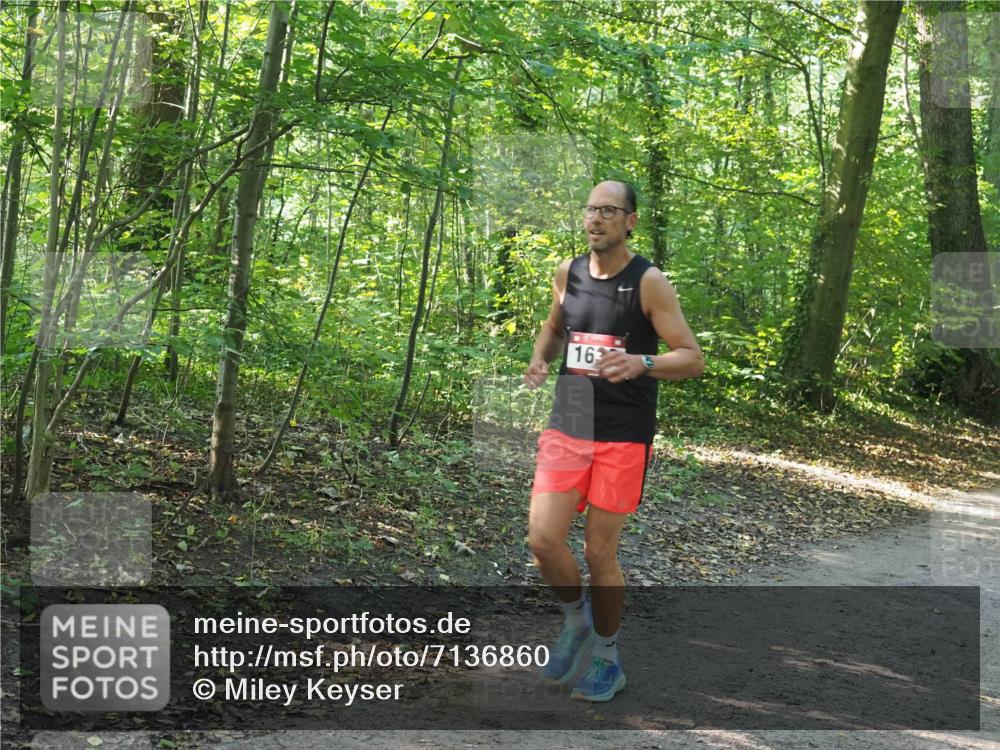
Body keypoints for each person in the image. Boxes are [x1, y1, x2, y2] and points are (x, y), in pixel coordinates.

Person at [523, 180, 704, 702]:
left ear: (631, 221)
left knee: (599, 552)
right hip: (570, 419)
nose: (595, 218)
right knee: (542, 541)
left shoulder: (649, 282)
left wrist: (642, 362)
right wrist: (542, 357)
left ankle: (607, 656)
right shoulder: (568, 272)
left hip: (623, 431)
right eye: (590, 209)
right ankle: (576, 621)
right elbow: (556, 327)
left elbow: (691, 357)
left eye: (609, 210)